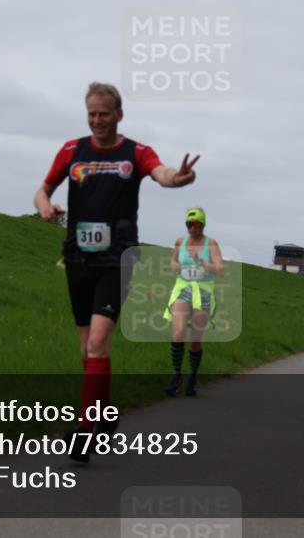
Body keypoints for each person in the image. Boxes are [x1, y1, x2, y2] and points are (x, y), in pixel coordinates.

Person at [35, 82, 199, 462]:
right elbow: (42, 189)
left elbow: (162, 173)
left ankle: (84, 431)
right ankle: (106, 416)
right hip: (77, 259)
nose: (97, 121)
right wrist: (45, 206)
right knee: (87, 350)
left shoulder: (135, 152)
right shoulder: (71, 150)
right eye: (91, 114)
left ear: (119, 114)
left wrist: (180, 178)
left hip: (117, 259)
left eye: (104, 114)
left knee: (96, 343)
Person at [164, 207, 225, 396]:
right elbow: (172, 262)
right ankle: (176, 375)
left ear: (203, 225)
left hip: (203, 293)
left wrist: (202, 262)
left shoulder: (211, 244)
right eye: (189, 224)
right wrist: (177, 265)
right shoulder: (180, 242)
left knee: (195, 340)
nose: (192, 228)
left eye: (196, 224)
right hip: (182, 289)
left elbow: (220, 270)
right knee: (178, 331)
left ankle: (192, 377)